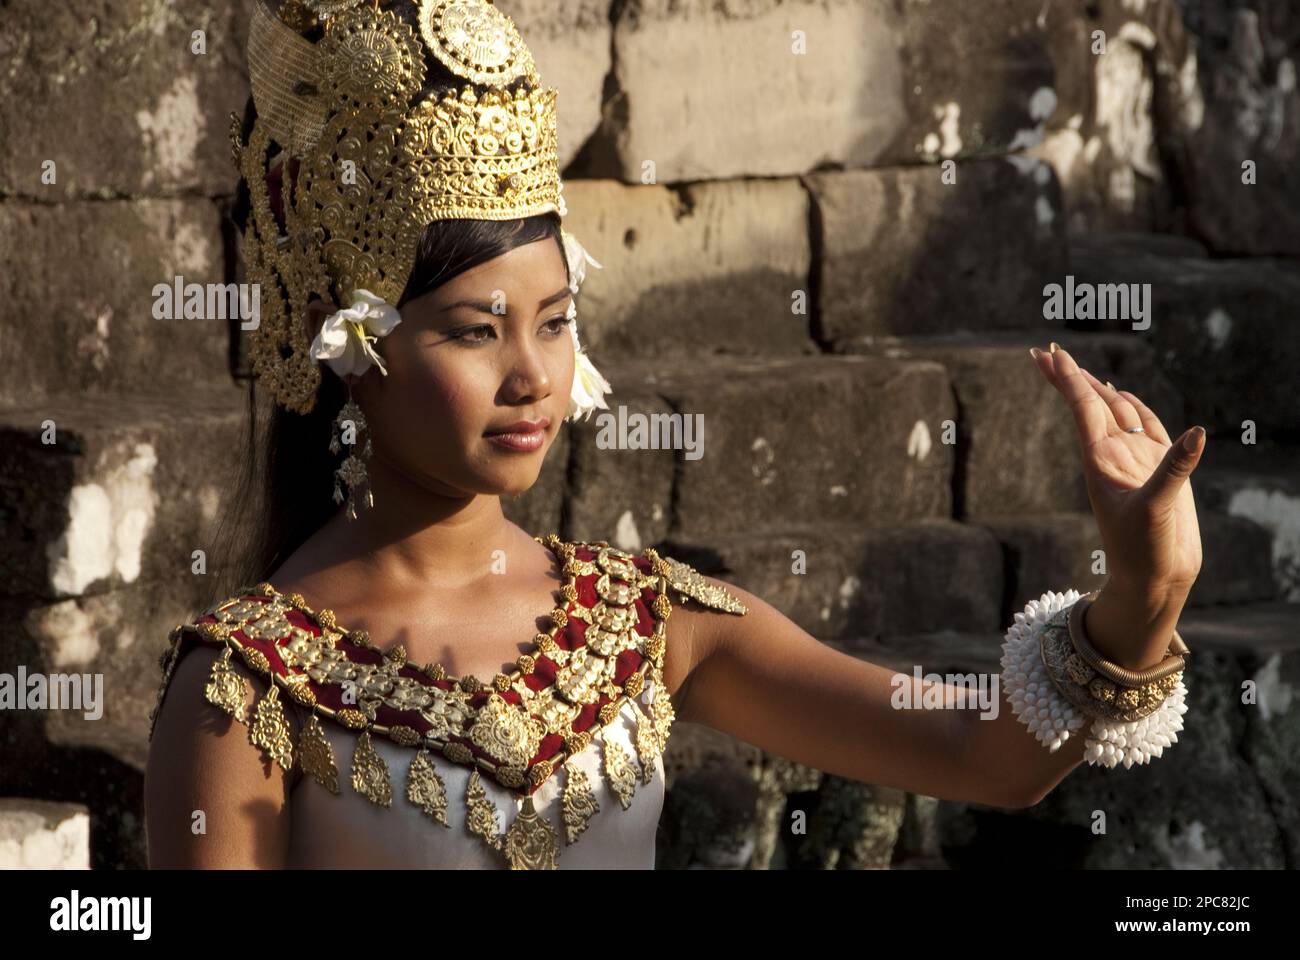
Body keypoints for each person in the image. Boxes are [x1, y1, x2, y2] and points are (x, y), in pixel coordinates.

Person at [144, 0, 1204, 869]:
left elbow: (983, 750)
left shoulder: (645, 622)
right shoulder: (248, 689)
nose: (531, 377)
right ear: (352, 349)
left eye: (556, 324)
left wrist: (1142, 594)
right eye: (476, 332)